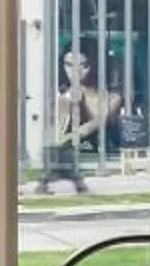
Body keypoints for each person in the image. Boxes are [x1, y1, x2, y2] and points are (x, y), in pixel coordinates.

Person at [45, 49, 105, 195]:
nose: (75, 71)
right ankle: (77, 185)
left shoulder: (100, 96)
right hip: (63, 140)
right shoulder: (61, 93)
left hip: (78, 141)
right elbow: (59, 121)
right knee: (65, 166)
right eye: (68, 65)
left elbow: (96, 123)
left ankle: (50, 183)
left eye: (82, 65)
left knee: (64, 166)